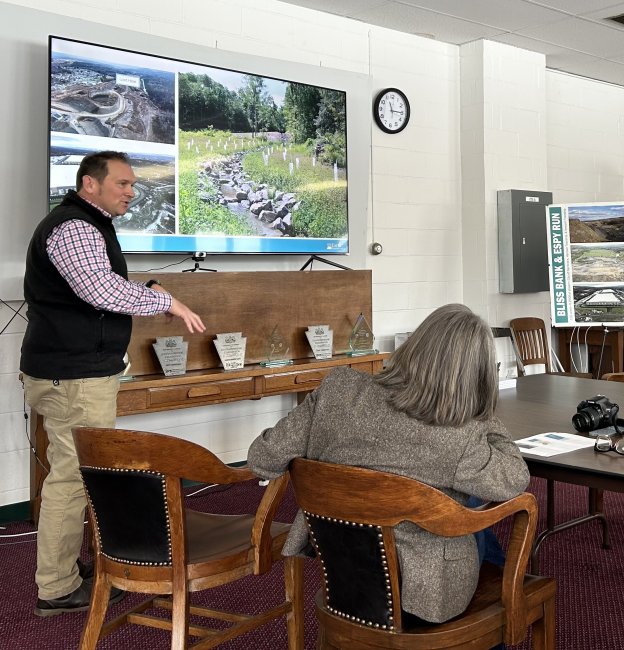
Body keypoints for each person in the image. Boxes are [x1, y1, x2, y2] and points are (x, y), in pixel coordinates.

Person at [248, 303, 530, 624]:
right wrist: (482, 413)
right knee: (472, 508)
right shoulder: (458, 438)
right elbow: (514, 479)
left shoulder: (337, 389)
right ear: (477, 376)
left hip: (344, 578)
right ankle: (500, 618)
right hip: (423, 599)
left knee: (466, 500)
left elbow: (261, 460)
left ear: (414, 346)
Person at [21, 151, 206, 616]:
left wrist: (149, 288)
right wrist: (165, 304)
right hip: (75, 375)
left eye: (132, 184)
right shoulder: (75, 226)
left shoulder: (86, 225)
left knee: (73, 473)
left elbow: (97, 285)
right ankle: (58, 589)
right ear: (90, 183)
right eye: (122, 183)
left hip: (76, 371)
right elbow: (99, 291)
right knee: (72, 478)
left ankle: (65, 569)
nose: (131, 191)